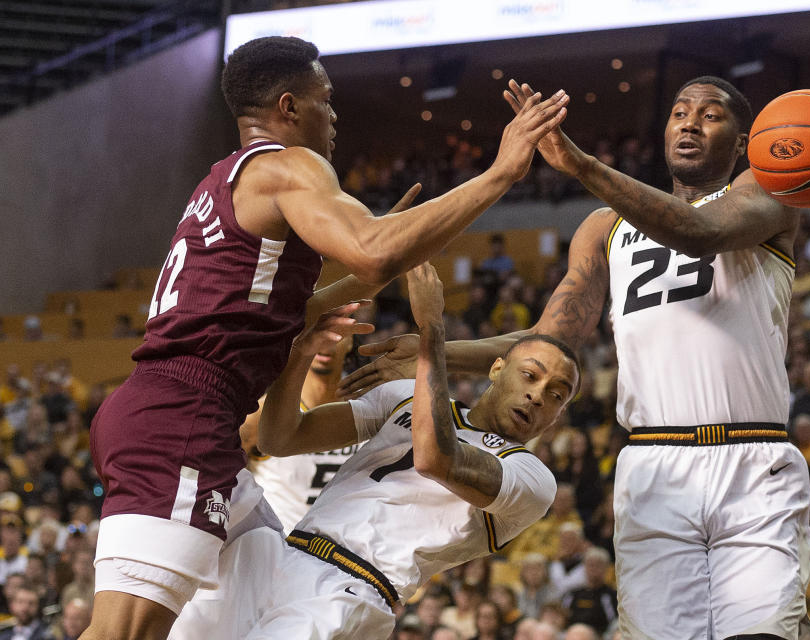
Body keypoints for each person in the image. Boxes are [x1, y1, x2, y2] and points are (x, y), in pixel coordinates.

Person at [83, 36, 569, 640]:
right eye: (327, 101)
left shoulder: (222, 180)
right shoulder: (292, 163)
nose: (334, 117)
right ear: (289, 107)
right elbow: (372, 253)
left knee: (251, 559)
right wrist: (501, 174)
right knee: (120, 636)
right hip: (186, 417)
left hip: (173, 412)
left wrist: (366, 269)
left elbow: (308, 299)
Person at [341, 75, 810, 639]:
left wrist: (582, 165)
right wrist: (430, 349)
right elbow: (545, 344)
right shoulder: (604, 227)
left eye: (710, 115)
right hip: (653, 464)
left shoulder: (769, 192)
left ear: (742, 143)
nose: (689, 122)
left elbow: (701, 231)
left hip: (751, 454)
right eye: (680, 112)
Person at [168, 263, 581, 639]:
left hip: (352, 588)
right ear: (496, 369)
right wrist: (299, 353)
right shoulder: (404, 396)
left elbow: (436, 458)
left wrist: (431, 333)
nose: (536, 395)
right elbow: (281, 438)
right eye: (530, 375)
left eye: (556, 395)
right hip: (283, 551)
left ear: (558, 415)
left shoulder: (532, 478)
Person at [241, 334, 360, 533]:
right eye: (320, 331)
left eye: (339, 332)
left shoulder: (368, 409)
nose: (326, 343)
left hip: (340, 550)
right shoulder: (263, 413)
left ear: (350, 340)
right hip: (278, 546)